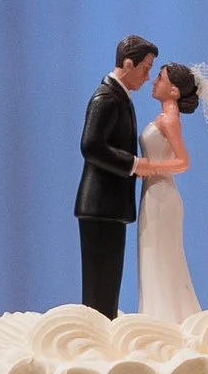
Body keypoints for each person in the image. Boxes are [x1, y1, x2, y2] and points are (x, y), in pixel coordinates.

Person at [75, 35, 160, 317]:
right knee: (100, 282)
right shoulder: (106, 97)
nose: (148, 76)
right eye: (146, 68)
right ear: (128, 63)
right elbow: (91, 146)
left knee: (109, 281)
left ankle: (102, 328)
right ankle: (94, 336)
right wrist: (134, 164)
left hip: (109, 204)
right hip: (100, 203)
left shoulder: (119, 96)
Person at [135, 62, 201, 320]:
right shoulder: (163, 118)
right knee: (153, 254)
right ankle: (156, 314)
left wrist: (148, 167)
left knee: (160, 256)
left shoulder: (170, 120)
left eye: (160, 78)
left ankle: (164, 318)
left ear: (174, 91)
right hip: (153, 193)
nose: (154, 82)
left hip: (162, 195)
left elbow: (182, 161)